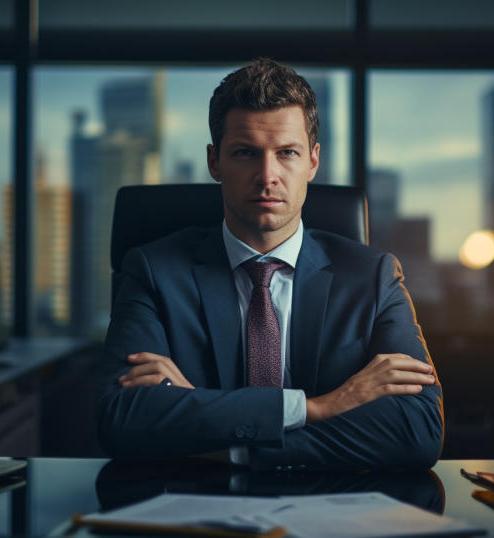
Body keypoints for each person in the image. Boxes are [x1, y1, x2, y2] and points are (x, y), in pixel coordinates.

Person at [95, 58, 443, 470]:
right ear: (214, 162)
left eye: (287, 153)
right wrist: (318, 408)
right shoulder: (154, 272)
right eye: (245, 153)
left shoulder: (373, 277)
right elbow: (123, 420)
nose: (267, 175)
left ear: (313, 161)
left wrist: (221, 436)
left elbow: (416, 431)